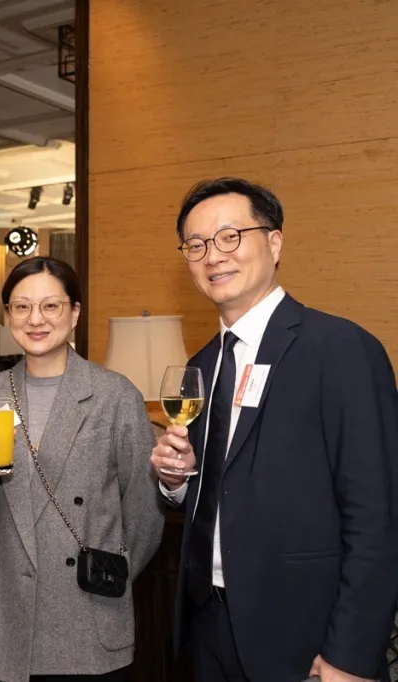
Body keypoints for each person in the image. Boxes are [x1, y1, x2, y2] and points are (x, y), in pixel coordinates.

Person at [150, 177, 398, 682]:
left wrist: (351, 655)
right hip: (209, 625)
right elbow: (224, 485)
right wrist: (175, 481)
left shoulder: (340, 350)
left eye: (230, 236)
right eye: (196, 245)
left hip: (305, 636)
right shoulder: (201, 366)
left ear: (276, 242)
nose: (213, 256)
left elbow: (377, 516)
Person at [0, 256, 164, 682]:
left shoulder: (114, 396)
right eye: (21, 307)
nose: (35, 319)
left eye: (50, 306)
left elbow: (144, 511)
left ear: (74, 312)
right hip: (3, 612)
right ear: (8, 315)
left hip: (87, 611)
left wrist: (109, 574)